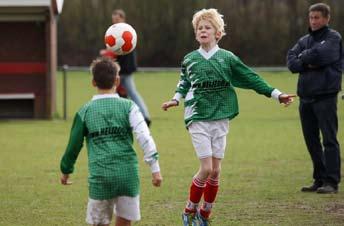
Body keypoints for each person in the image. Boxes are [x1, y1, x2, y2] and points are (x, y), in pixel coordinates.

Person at [162, 8, 295, 226]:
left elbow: (251, 78)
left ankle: (205, 213)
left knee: (215, 171)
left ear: (218, 33)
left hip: (221, 117)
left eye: (207, 27)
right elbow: (184, 82)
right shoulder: (190, 59)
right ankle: (189, 210)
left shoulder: (227, 58)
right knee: (205, 168)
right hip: (197, 117)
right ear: (196, 34)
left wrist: (276, 94)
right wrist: (176, 99)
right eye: (199, 28)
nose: (203, 31)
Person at [60, 58, 162, 226]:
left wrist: (66, 170)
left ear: (93, 82)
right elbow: (144, 136)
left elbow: (73, 145)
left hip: (101, 178)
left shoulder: (84, 111)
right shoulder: (129, 107)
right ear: (117, 80)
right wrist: (155, 169)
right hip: (128, 176)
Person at [287, 3, 342, 194]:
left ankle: (332, 182)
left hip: (325, 96)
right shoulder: (304, 39)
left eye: (317, 17)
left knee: (329, 139)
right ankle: (319, 179)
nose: (313, 21)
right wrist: (306, 60)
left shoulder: (333, 38)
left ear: (327, 18)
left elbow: (322, 55)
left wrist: (304, 58)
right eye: (311, 17)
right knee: (311, 140)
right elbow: (291, 62)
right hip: (306, 97)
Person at [100, 9, 152, 127]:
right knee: (120, 95)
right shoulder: (114, 32)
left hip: (125, 70)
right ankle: (127, 118)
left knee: (129, 93)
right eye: (113, 19)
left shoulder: (125, 32)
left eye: (117, 19)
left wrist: (108, 53)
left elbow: (121, 52)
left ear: (123, 19)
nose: (115, 21)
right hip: (119, 70)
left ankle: (145, 117)